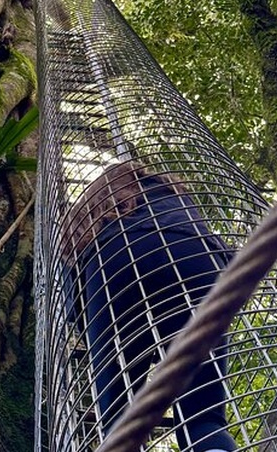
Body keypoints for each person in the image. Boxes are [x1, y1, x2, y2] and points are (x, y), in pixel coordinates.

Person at [62, 160, 237, 452]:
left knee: (118, 417)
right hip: (194, 258)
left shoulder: (88, 216)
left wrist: (90, 324)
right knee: (202, 411)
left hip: (111, 272)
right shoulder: (171, 196)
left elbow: (75, 298)